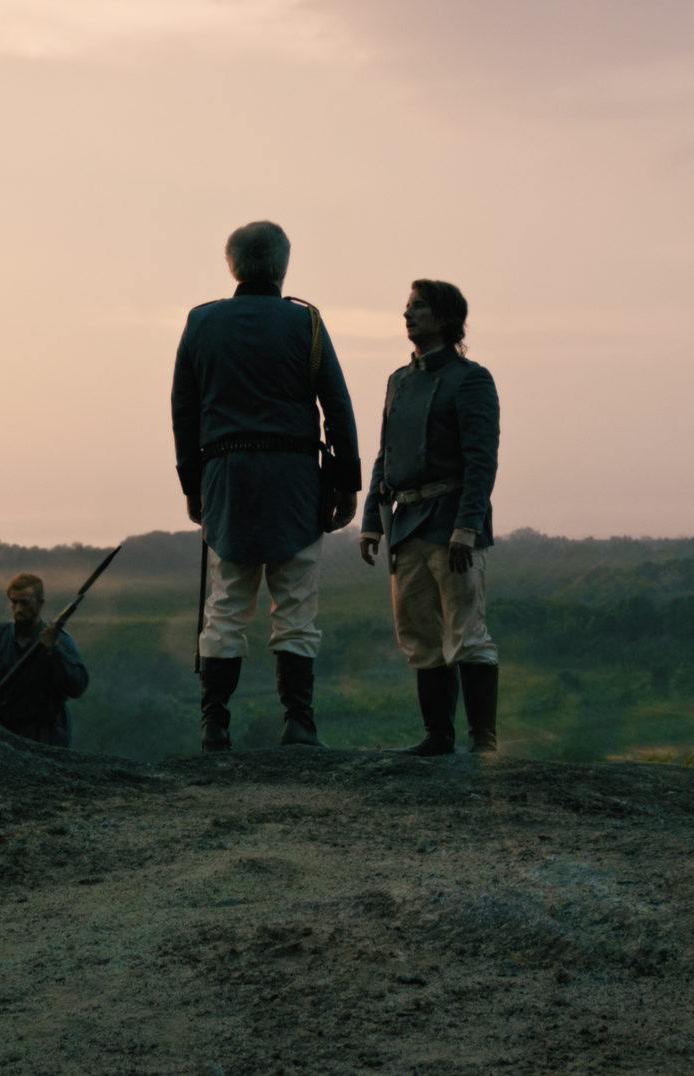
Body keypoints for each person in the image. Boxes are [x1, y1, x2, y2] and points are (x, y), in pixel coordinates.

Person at [171, 220, 360, 752]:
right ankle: (298, 723)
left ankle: (214, 724)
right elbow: (336, 406)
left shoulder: (200, 323)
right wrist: (346, 482)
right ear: (283, 266)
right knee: (296, 604)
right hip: (295, 479)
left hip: (225, 478)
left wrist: (192, 485)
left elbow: (184, 411)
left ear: (232, 265)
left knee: (227, 604)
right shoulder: (307, 324)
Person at [358, 279, 501, 755]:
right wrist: (372, 519)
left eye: (418, 307)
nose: (408, 314)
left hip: (452, 523)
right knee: (419, 636)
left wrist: (467, 526)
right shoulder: (398, 380)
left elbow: (481, 461)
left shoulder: (471, 379)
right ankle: (438, 737)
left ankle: (484, 743)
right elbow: (386, 453)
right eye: (407, 306)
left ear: (444, 318)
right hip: (406, 523)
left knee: (466, 635)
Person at [0, 573, 88, 747]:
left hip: (47, 736)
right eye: (14, 602)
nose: (18, 609)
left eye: (25, 603)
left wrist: (54, 650)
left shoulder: (61, 641)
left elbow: (77, 686)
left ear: (40, 603)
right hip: (2, 732)